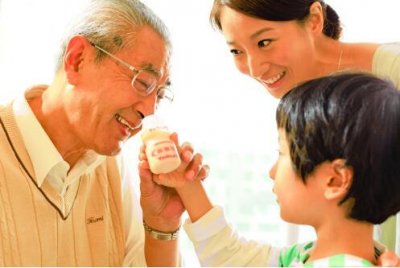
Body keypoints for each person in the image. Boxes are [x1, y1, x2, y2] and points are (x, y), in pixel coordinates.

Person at [0, 0, 207, 266]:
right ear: (78, 60)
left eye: (161, 94)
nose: (150, 110)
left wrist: (161, 224)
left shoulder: (111, 168)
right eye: (143, 82)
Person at [141, 72, 400, 266]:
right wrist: (187, 183)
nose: (272, 171)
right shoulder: (306, 256)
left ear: (334, 180)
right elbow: (232, 258)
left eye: (282, 153)